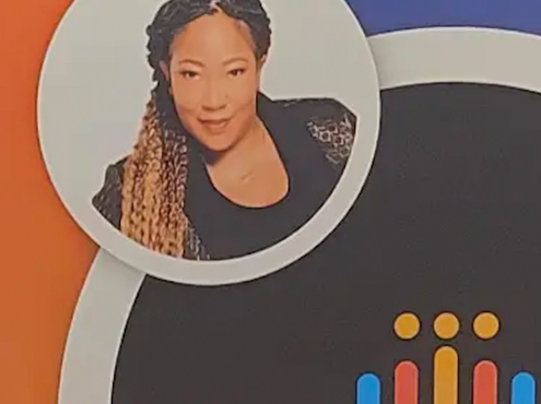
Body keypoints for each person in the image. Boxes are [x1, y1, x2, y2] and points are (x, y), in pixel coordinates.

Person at [93, 0, 357, 261]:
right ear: (167, 73)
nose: (214, 101)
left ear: (259, 65)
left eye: (234, 72)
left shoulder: (331, 129)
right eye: (191, 75)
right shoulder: (132, 191)